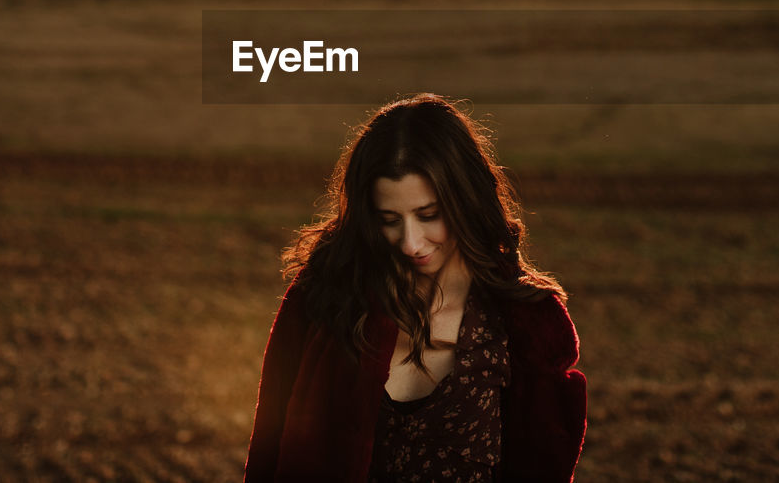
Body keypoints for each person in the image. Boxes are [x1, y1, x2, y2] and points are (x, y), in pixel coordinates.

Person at [244, 93, 587, 482]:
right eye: (388, 219)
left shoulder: (528, 325)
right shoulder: (324, 299)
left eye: (429, 215)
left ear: (465, 200)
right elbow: (267, 453)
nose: (410, 243)